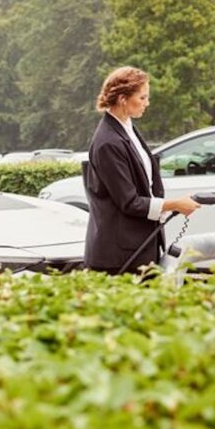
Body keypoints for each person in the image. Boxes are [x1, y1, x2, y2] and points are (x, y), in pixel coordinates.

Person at [83, 66, 200, 274]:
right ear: (122, 99)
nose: (147, 103)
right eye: (143, 97)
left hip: (138, 247)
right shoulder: (107, 142)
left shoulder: (127, 127)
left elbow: (146, 185)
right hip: (119, 257)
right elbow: (130, 202)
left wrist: (172, 205)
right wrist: (175, 204)